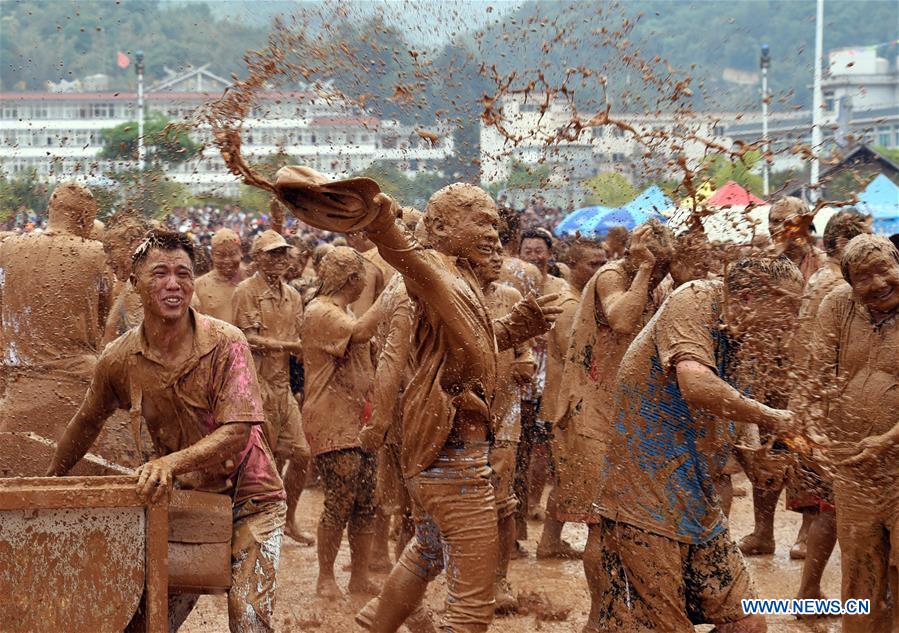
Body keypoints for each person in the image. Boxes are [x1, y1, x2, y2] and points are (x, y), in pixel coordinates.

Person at [47, 229, 287, 632]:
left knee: (248, 619)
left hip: (253, 499)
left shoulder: (227, 343)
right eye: (159, 273)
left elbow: (238, 432)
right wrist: (51, 484)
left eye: (183, 273)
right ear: (135, 284)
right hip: (189, 500)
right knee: (147, 622)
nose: (173, 283)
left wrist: (169, 463)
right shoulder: (119, 359)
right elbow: (86, 422)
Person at [347, 183, 561, 633]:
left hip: (444, 455)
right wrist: (383, 222)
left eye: (494, 222)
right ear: (441, 227)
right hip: (451, 461)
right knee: (471, 606)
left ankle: (373, 624)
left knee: (427, 550)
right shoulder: (429, 271)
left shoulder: (455, 278)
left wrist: (514, 326)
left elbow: (460, 350)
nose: (493, 231)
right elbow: (403, 260)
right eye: (480, 220)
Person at [594, 256, 804, 633]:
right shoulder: (697, 299)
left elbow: (730, 411)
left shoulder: (748, 338)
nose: (792, 320)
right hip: (644, 498)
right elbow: (696, 384)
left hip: (698, 502)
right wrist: (772, 416)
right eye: (787, 305)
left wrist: (756, 462)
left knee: (747, 623)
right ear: (746, 296)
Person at [553, 220, 675, 627]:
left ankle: (627, 611)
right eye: (655, 265)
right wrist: (643, 269)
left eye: (663, 267)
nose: (660, 274)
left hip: (630, 415)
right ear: (637, 255)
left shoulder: (657, 284)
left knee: (635, 526)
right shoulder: (613, 275)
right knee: (600, 527)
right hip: (591, 413)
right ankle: (599, 617)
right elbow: (622, 319)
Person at [806, 234, 899, 633]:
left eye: (885, 270)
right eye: (864, 277)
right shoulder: (837, 306)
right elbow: (814, 378)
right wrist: (811, 426)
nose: (879, 283)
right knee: (860, 571)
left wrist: (888, 439)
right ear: (849, 282)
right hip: (855, 472)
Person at [787, 210, 870, 602]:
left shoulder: (823, 278)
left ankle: (813, 591)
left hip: (814, 404)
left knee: (830, 507)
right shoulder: (839, 287)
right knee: (834, 507)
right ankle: (813, 593)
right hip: (828, 410)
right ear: (844, 245)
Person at [739, 196, 827, 557]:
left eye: (786, 221)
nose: (778, 228)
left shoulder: (822, 268)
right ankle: (763, 531)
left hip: (808, 376)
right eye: (773, 221)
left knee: (807, 455)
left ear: (805, 223)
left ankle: (807, 531)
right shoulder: (762, 265)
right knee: (765, 454)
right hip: (766, 373)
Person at [0, 182, 115, 451]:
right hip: (76, 391)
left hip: (17, 387)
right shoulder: (97, 254)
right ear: (87, 218)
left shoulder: (9, 249)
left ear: (50, 209)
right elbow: (102, 321)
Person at [301, 246, 382, 598]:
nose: (368, 281)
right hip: (332, 418)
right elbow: (362, 332)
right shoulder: (321, 311)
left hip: (359, 419)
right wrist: (395, 293)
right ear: (353, 279)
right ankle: (325, 577)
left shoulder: (343, 310)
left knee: (366, 501)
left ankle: (359, 576)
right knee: (340, 499)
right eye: (363, 275)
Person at [232, 229, 313, 546]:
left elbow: (301, 345)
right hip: (256, 385)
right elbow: (247, 339)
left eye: (282, 253)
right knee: (262, 461)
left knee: (302, 453)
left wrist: (299, 382)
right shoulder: (246, 291)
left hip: (281, 387)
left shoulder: (292, 296)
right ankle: (261, 524)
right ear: (257, 257)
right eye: (272, 253)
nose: (279, 260)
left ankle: (288, 517)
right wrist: (289, 345)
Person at [475, 243, 535, 612]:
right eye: (488, 251)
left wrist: (525, 363)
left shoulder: (510, 295)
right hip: (456, 415)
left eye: (499, 250)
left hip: (505, 414)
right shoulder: (449, 291)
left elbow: (524, 349)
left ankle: (498, 580)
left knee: (502, 504)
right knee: (455, 502)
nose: (498, 258)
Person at [535, 238, 604, 559]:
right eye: (594, 264)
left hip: (571, 402)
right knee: (581, 476)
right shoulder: (570, 305)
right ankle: (559, 542)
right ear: (573, 266)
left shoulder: (582, 298)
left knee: (570, 477)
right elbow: (582, 357)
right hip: (570, 406)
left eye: (604, 262)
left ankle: (550, 541)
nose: (602, 269)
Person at [516, 228, 572, 532]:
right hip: (521, 377)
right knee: (517, 448)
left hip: (551, 375)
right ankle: (518, 510)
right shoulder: (511, 283)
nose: (535, 256)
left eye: (540, 251)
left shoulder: (561, 287)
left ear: (550, 255)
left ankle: (535, 502)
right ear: (519, 253)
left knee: (543, 448)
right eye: (529, 251)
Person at [192, 228, 245, 324]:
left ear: (241, 253)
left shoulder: (249, 279)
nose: (227, 260)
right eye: (220, 255)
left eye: (232, 254)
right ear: (212, 255)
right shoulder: (199, 286)